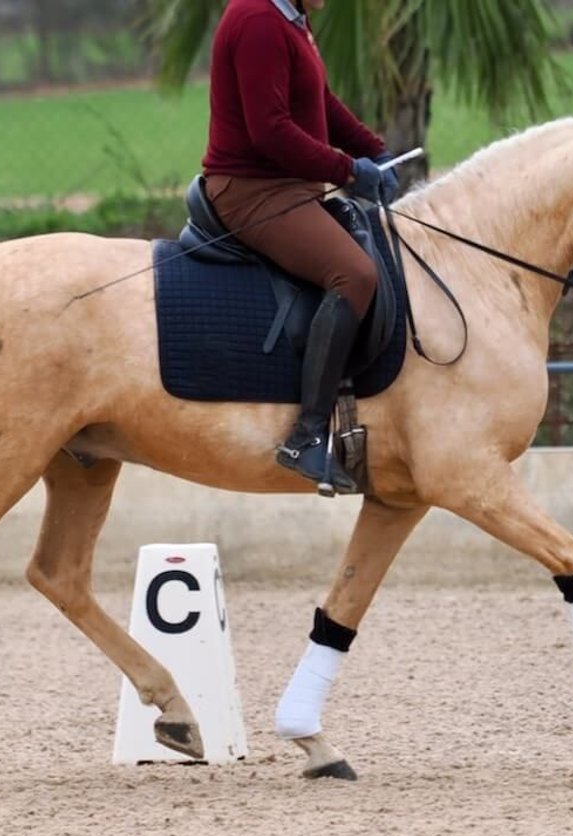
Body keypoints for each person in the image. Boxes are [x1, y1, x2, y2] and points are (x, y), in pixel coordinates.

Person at [201, 0, 400, 493]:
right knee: (354, 274)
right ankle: (306, 436)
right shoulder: (257, 20)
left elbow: (319, 104)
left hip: (291, 186)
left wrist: (372, 148)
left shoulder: (292, 19)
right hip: (253, 191)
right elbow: (270, 131)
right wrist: (349, 171)